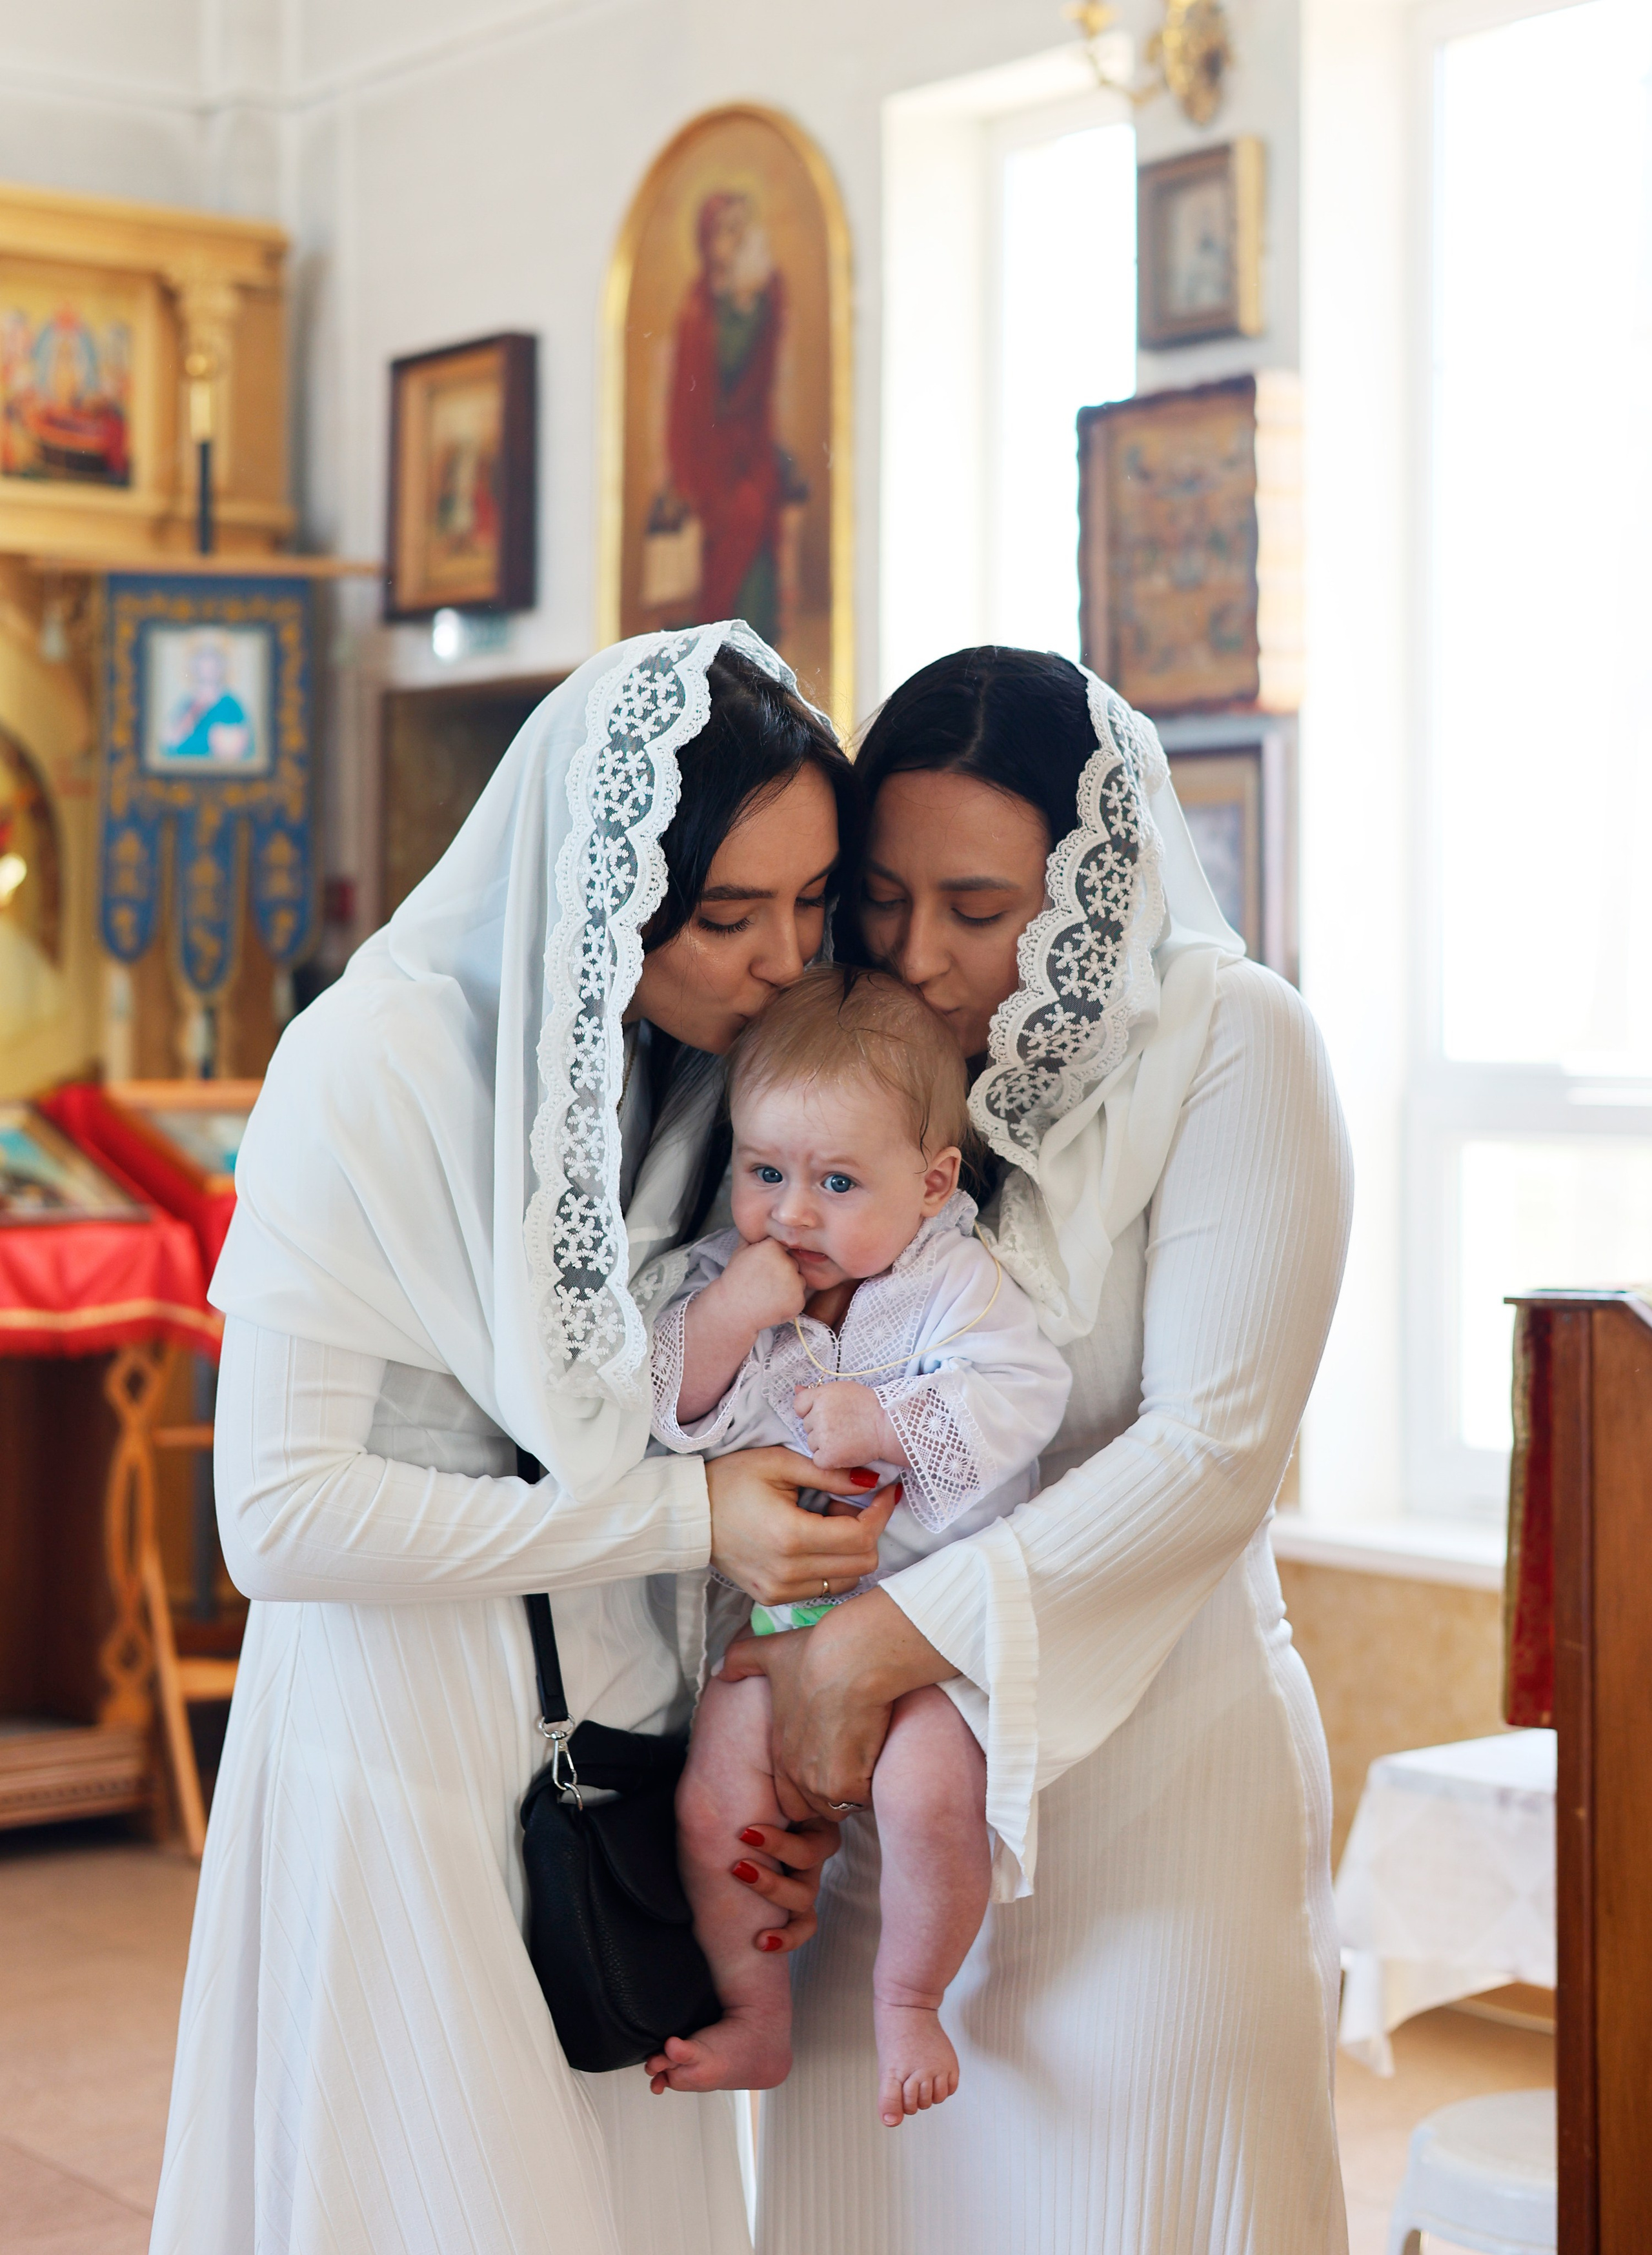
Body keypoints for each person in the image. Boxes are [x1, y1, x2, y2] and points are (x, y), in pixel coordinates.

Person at [148, 625, 878, 2255]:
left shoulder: (687, 1078)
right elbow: (277, 1519)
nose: (781, 959)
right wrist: (686, 1519)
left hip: (610, 1730)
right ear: (609, 884)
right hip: (396, 1736)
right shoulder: (379, 1058)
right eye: (725, 913)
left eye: (811, 903)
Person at [734, 647, 1355, 2254]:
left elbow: (1212, 1450)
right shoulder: (863, 1068)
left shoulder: (1238, 1046)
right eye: (881, 900)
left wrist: (866, 1647)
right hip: (890, 1817)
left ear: (1090, 888)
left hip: (1157, 1796)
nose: (921, 958)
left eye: (977, 905)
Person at [641, 966, 1070, 2124]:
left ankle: (910, 1997)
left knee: (935, 1795)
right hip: (779, 1627)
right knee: (712, 1792)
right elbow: (660, 1403)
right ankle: (757, 2012)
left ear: (931, 1185)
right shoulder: (733, 1282)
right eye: (764, 1171)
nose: (793, 1212)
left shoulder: (951, 1282)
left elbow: (1029, 1393)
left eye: (837, 1181)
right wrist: (730, 1315)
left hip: (928, 1632)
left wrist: (890, 1420)